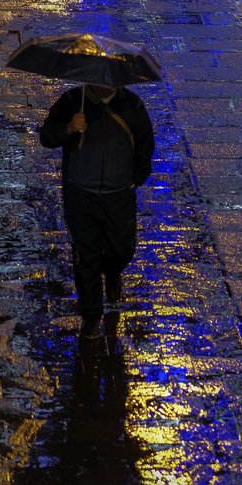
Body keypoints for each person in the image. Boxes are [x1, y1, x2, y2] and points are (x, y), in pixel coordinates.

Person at [39, 83, 155, 340]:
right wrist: (68, 128)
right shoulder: (72, 100)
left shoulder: (132, 105)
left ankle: (112, 273)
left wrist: (135, 180)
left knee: (122, 249)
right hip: (81, 195)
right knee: (85, 256)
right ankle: (91, 315)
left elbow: (145, 145)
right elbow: (46, 136)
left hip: (118, 196)